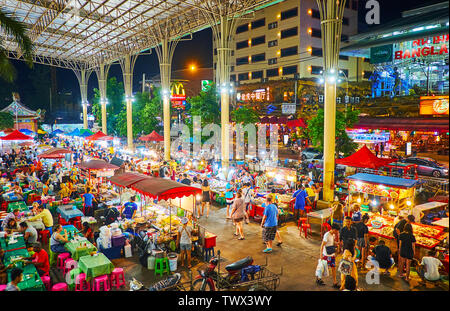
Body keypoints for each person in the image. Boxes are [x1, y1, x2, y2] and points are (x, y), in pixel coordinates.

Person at [317, 223, 340, 288]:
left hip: (331, 255)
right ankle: (318, 279)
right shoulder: (327, 235)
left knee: (333, 268)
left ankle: (335, 282)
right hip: (326, 255)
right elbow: (322, 245)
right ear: (334, 229)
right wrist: (321, 255)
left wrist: (337, 243)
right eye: (337, 231)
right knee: (323, 268)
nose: (337, 232)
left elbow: (332, 243)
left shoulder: (333, 235)